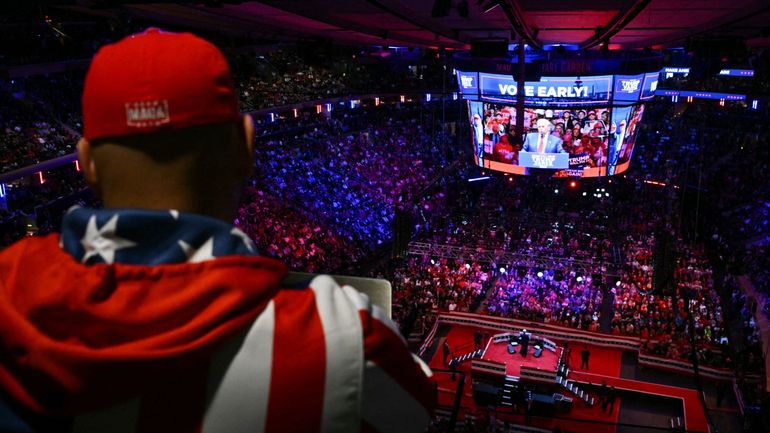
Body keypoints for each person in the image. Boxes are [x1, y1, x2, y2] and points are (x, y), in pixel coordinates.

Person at [0, 29, 435, 433]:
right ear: (246, 149)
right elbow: (418, 406)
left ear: (88, 164)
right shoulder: (346, 339)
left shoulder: (9, 293)